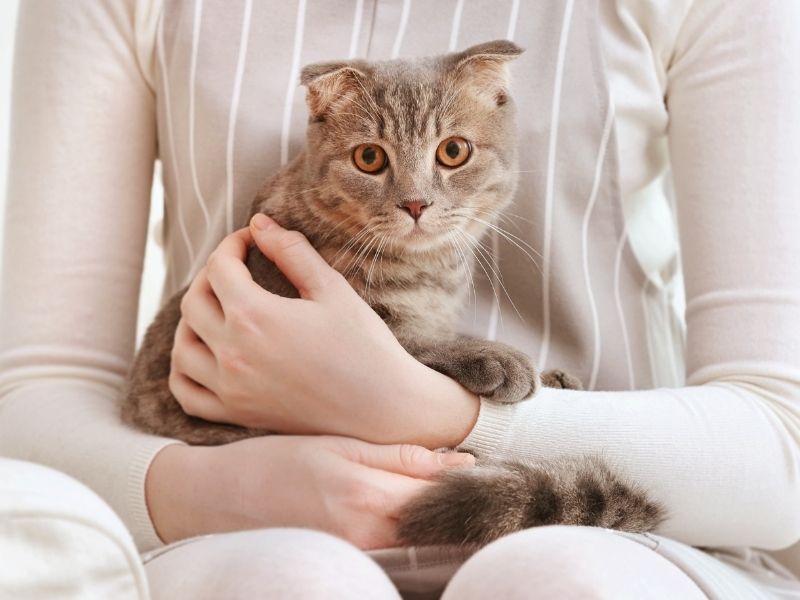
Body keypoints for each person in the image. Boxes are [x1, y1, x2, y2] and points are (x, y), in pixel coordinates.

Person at [2, 0, 799, 597]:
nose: (417, 198)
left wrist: (432, 411)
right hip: (235, 512)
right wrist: (212, 490)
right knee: (292, 581)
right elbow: (34, 392)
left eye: (452, 152)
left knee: (560, 579)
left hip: (614, 509)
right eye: (374, 160)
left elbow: (783, 436)